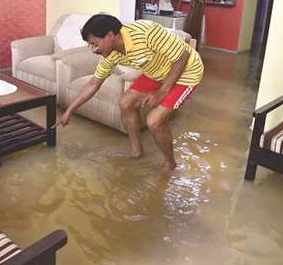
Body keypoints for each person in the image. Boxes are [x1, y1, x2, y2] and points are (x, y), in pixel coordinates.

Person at [57, 14, 204, 171]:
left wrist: (162, 91)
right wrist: (69, 110)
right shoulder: (110, 55)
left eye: (95, 44)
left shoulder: (146, 32)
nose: (93, 50)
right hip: (156, 72)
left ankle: (170, 163)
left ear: (110, 35)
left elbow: (183, 56)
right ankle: (137, 152)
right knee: (125, 102)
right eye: (90, 45)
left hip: (186, 72)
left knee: (154, 121)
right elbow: (94, 83)